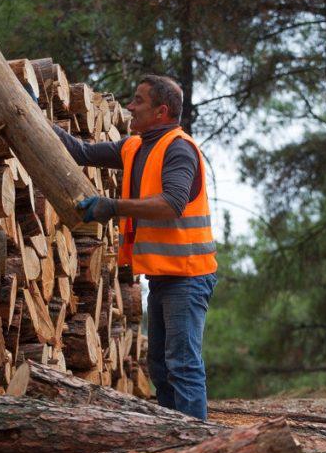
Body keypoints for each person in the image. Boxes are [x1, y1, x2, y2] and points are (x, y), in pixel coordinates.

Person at [51, 74, 217, 420]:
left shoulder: (179, 149)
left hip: (187, 277)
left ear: (161, 111)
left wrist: (113, 206)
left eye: (138, 100)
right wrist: (31, 112)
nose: (130, 106)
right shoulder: (135, 146)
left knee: (182, 365)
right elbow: (78, 151)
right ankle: (174, 440)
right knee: (159, 366)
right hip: (163, 277)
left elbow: (171, 203)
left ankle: (197, 447)